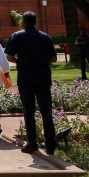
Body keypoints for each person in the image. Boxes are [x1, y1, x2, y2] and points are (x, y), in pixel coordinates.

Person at [5, 11, 58, 154]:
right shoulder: (45, 36)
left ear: (23, 21)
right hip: (43, 77)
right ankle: (50, 144)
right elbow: (54, 58)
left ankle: (32, 143)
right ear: (35, 21)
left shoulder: (17, 36)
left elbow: (9, 56)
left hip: (26, 78)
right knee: (46, 112)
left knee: (29, 112)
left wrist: (21, 62)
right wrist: (41, 62)